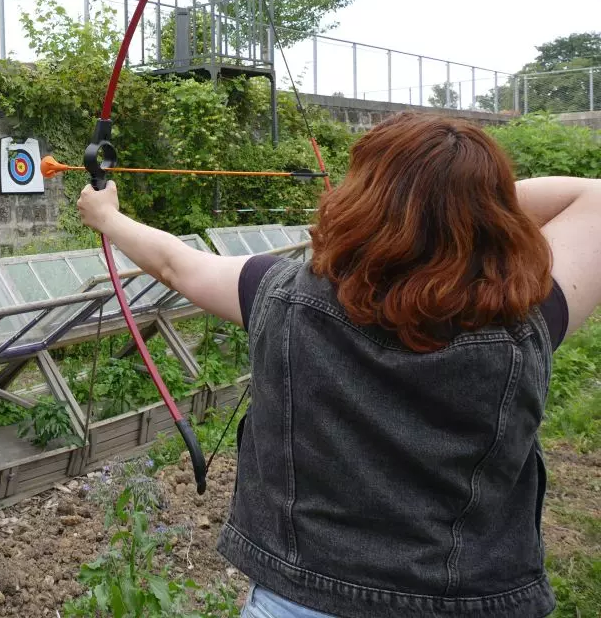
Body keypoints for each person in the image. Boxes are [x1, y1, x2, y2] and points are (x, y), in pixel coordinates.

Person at [74, 112, 601, 618]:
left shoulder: (279, 294)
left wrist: (108, 217)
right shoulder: (526, 321)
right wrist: (467, 209)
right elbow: (594, 198)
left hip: (301, 603)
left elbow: (173, 263)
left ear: (363, 197)